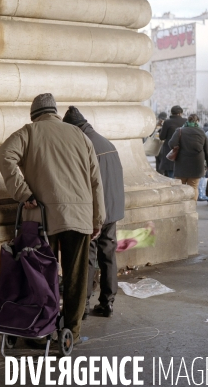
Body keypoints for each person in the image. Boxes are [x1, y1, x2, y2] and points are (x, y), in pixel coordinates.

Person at [0, 93, 105, 345]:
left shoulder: (29, 132)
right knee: (76, 277)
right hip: (79, 217)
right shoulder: (80, 135)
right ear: (55, 112)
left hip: (43, 218)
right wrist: (98, 218)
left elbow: (4, 154)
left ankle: (40, 330)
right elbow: (96, 181)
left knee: (42, 275)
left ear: (34, 115)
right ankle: (72, 332)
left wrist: (23, 192)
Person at [63, 107, 124, 319]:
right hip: (113, 210)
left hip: (93, 212)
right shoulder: (107, 143)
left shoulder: (82, 145)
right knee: (108, 256)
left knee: (87, 257)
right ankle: (108, 303)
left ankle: (85, 303)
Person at [168, 114, 208, 201]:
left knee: (181, 187)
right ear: (197, 121)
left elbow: (171, 144)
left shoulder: (180, 130)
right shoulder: (202, 132)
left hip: (182, 163)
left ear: (187, 121)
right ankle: (192, 208)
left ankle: (182, 208)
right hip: (197, 164)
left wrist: (179, 146)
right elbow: (207, 151)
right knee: (193, 187)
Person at [159, 106, 186, 178]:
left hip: (170, 149)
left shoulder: (167, 122)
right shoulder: (185, 121)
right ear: (180, 113)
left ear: (171, 113)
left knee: (171, 172)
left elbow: (162, 137)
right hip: (184, 148)